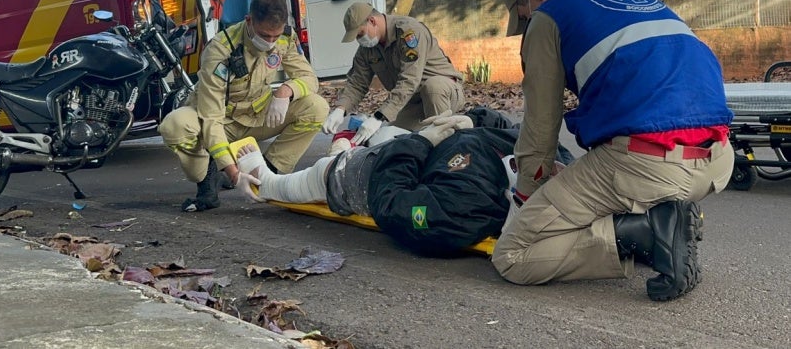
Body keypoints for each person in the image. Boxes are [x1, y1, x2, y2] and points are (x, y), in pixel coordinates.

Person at [492, 0, 734, 301]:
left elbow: (541, 123)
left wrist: (528, 192)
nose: (528, 23)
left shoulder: (548, 17)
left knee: (512, 256)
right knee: (599, 175)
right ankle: (662, 225)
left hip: (647, 165)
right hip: (717, 161)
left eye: (523, 17)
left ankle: (645, 234)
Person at [237, 107, 573, 256]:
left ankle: (268, 183)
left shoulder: (465, 208)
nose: (555, 168)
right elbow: (501, 122)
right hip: (415, 145)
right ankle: (355, 136)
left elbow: (392, 203)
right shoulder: (546, 152)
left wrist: (421, 143)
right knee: (389, 133)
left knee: (328, 170)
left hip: (366, 176)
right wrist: (471, 118)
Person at [159, 0, 329, 212]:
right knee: (175, 126)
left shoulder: (285, 38)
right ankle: (207, 178)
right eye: (264, 35)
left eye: (274, 37)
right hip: (220, 121)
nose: (270, 43)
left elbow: (309, 78)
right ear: (249, 20)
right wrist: (234, 173)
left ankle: (266, 174)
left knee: (316, 107)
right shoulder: (221, 49)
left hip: (255, 116)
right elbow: (212, 118)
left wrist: (286, 91)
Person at [322, 2, 465, 146]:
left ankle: (448, 149)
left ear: (372, 21)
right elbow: (357, 83)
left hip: (445, 92)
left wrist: (378, 116)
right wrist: (340, 110)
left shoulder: (409, 33)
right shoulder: (367, 49)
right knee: (387, 139)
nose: (360, 40)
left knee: (433, 88)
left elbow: (409, 80)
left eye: (360, 34)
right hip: (412, 101)